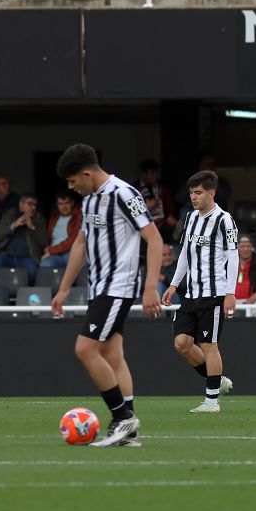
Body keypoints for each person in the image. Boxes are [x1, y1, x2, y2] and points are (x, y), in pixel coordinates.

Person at [51, 143, 164, 448]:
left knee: (85, 350)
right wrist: (63, 289)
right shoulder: (88, 201)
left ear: (87, 173)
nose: (71, 188)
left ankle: (122, 418)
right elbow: (79, 245)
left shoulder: (124, 194)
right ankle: (129, 434)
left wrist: (150, 286)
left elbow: (153, 239)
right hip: (99, 287)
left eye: (73, 181)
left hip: (119, 287)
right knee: (112, 355)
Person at [162, 170, 237, 413]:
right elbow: (184, 253)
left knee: (208, 344)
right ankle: (218, 380)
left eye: (198, 192)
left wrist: (230, 293)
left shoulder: (224, 219)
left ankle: (212, 401)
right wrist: (174, 284)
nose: (193, 197)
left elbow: (233, 256)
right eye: (191, 193)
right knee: (182, 343)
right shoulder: (191, 218)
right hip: (191, 294)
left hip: (213, 293)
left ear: (211, 193)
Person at [0, 193, 48, 280]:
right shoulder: (10, 215)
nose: (33, 208)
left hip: (28, 258)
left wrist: (32, 227)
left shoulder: (39, 218)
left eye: (35, 205)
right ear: (21, 204)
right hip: (8, 256)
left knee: (32, 273)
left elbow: (44, 242)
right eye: (30, 204)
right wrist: (14, 225)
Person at [137, 159, 177, 242]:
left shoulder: (162, 187)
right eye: (152, 173)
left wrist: (171, 215)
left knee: (172, 231)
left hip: (163, 223)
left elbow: (170, 204)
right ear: (144, 174)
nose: (155, 175)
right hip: (145, 225)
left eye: (156, 172)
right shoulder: (136, 189)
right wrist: (146, 206)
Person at [41, 191, 83, 269]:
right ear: (57, 205)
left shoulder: (78, 215)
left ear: (72, 203)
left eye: (67, 203)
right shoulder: (54, 217)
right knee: (45, 264)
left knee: (77, 262)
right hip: (54, 254)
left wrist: (51, 250)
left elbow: (73, 239)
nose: (64, 207)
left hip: (70, 252)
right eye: (60, 204)